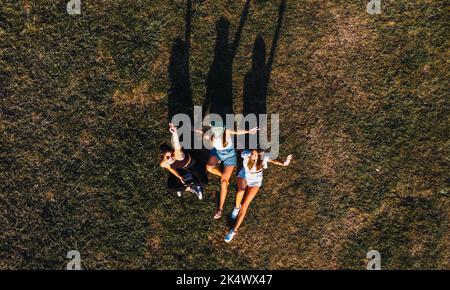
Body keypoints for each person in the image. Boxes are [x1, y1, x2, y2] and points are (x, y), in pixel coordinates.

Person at [224, 149, 292, 242]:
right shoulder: (246, 154)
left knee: (245, 205)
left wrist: (285, 163)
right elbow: (241, 151)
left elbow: (275, 161)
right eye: (252, 153)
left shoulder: (263, 158)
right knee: (240, 192)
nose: (252, 154)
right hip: (244, 175)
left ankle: (234, 231)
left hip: (255, 181)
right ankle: (236, 208)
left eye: (255, 154)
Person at [196, 121, 258, 219]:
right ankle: (223, 174)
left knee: (224, 182)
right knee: (209, 167)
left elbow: (237, 131)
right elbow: (199, 130)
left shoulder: (227, 131)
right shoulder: (210, 135)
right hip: (217, 153)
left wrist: (249, 131)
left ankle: (220, 209)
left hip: (230, 157)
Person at [160, 123, 206, 199]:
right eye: (168, 157)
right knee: (170, 188)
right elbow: (169, 168)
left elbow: (177, 145)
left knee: (204, 183)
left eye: (171, 155)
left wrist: (174, 133)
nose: (171, 158)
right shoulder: (164, 163)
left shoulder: (178, 155)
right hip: (181, 170)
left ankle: (194, 184)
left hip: (192, 166)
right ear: (163, 158)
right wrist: (179, 176)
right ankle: (188, 188)